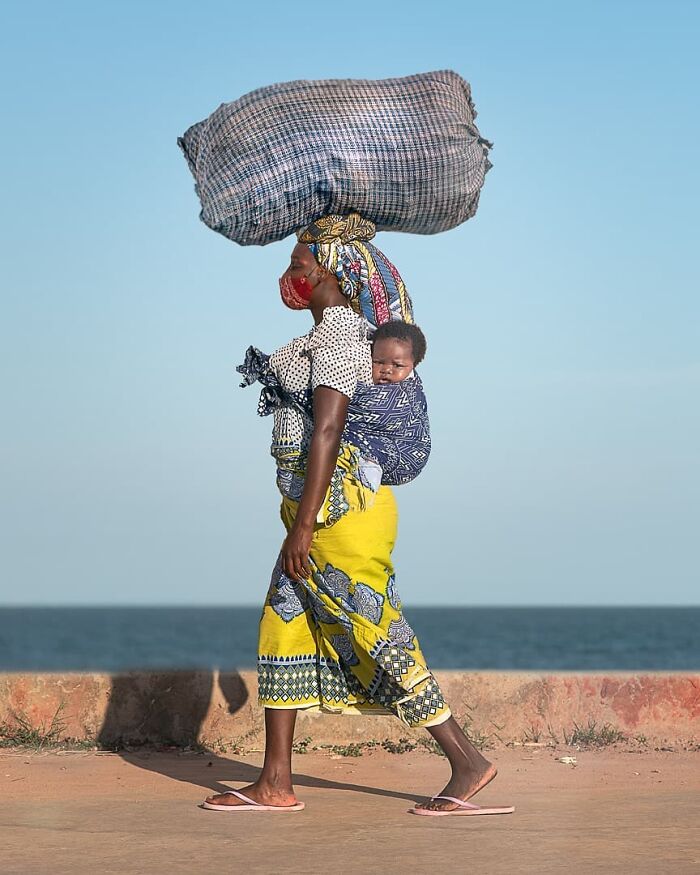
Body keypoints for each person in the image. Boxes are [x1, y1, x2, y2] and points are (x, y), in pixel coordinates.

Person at [203, 214, 507, 816]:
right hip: (313, 512)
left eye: (298, 266)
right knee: (283, 626)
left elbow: (328, 427)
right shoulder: (324, 335)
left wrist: (302, 525)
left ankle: (467, 760)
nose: (288, 276)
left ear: (333, 274)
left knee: (371, 627)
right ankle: (276, 782)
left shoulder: (344, 337)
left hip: (338, 517)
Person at [371, 321, 427, 385]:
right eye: (378, 362)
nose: (386, 370)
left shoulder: (409, 393)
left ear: (414, 365)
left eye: (397, 365)